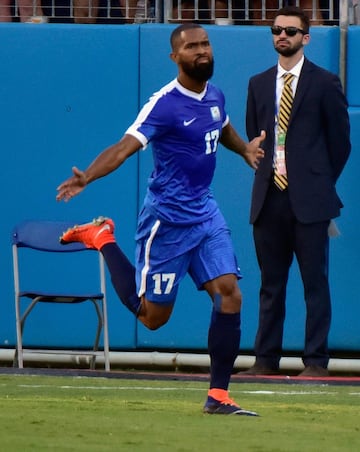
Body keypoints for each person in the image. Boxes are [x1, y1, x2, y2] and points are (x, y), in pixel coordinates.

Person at [56, 23, 265, 415]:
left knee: (230, 293)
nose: (202, 51)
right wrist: (88, 175)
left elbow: (222, 129)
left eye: (205, 44)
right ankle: (102, 238)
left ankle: (218, 396)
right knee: (153, 319)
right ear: (175, 57)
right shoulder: (164, 104)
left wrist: (246, 152)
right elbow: (123, 148)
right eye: (192, 47)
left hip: (205, 214)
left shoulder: (215, 95)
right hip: (166, 222)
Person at [242, 6, 351, 377]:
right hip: (269, 197)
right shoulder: (258, 83)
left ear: (306, 37)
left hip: (310, 199)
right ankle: (265, 359)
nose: (282, 36)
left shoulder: (324, 82)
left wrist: (318, 180)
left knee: (314, 284)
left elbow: (341, 143)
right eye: (276, 30)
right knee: (270, 285)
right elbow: (255, 137)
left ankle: (316, 362)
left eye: (290, 30)